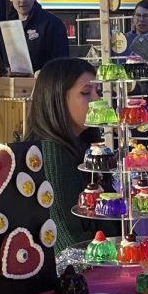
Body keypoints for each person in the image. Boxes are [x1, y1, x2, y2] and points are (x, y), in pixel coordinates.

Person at [25, 58, 100, 253]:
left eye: (98, 91)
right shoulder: (50, 153)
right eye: (86, 93)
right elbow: (65, 240)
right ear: (57, 99)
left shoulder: (83, 145)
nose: (97, 100)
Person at [4, 0, 70, 72]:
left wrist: (44, 74)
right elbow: (2, 62)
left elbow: (62, 63)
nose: (22, 0)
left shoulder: (52, 24)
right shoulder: (8, 27)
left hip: (44, 86)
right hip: (13, 86)